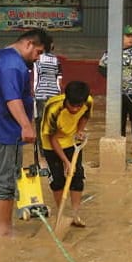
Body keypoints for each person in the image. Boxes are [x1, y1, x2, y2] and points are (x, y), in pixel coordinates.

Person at [0, 28, 51, 237]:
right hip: (5, 132)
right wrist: (26, 126)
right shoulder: (13, 65)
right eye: (38, 52)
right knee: (6, 183)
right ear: (28, 44)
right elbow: (12, 98)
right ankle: (5, 231)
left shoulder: (0, 56)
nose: (37, 59)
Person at [40, 81, 92, 228]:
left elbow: (85, 117)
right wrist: (66, 162)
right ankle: (61, 214)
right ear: (66, 99)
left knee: (77, 176)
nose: (75, 109)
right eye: (72, 106)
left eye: (78, 106)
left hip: (71, 142)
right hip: (51, 144)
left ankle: (75, 215)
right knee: (58, 180)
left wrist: (80, 130)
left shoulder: (87, 101)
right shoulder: (53, 108)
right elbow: (53, 138)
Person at [98, 24, 132, 156]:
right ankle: (118, 147)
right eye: (127, 36)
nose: (130, 39)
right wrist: (111, 77)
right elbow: (101, 67)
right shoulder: (111, 52)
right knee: (118, 120)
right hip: (117, 94)